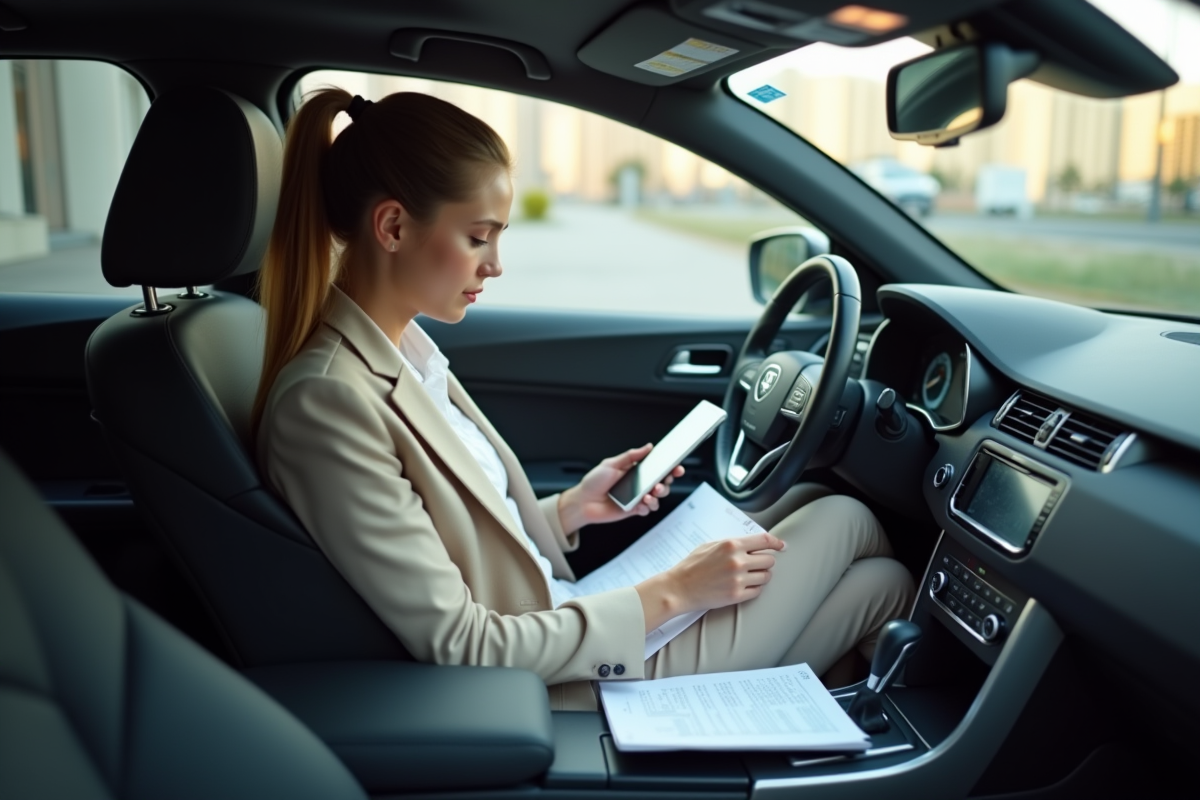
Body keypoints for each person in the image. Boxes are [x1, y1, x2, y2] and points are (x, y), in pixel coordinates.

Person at [254, 88, 914, 711]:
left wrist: (572, 510)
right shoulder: (327, 401)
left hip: (567, 609)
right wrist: (672, 593)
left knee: (853, 555)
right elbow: (460, 642)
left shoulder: (406, 355)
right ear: (393, 227)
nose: (495, 265)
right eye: (479, 237)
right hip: (561, 677)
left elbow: (457, 528)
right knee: (849, 528)